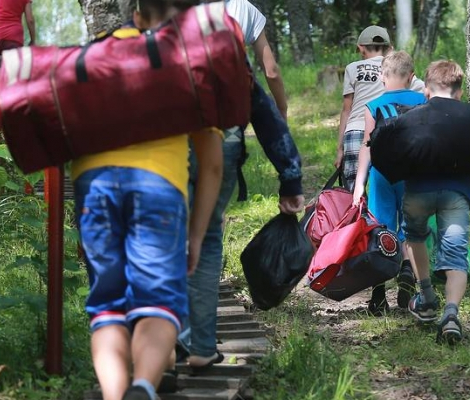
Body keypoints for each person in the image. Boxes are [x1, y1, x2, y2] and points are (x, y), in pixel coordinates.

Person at [71, 1, 223, 399]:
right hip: (157, 188)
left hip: (93, 186)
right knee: (159, 303)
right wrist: (195, 236)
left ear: (137, 13)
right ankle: (142, 387)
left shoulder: (96, 51)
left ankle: (115, 394)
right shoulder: (191, 62)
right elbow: (211, 167)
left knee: (107, 307)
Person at [181, 0, 305, 370]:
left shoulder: (166, 38)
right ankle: (202, 345)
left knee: (165, 239)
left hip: (166, 151)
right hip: (223, 146)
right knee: (206, 239)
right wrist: (290, 179)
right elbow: (267, 119)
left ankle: (170, 335)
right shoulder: (233, 50)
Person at [401, 60, 470, 344]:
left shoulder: (414, 114)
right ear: (460, 92)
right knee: (456, 253)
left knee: (415, 237)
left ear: (426, 91)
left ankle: (426, 297)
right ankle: (451, 313)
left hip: (418, 191)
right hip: (457, 194)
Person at [351, 50, 424, 315]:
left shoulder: (373, 106)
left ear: (382, 76)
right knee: (411, 229)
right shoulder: (422, 100)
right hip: (412, 174)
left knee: (381, 230)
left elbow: (366, 146)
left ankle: (378, 295)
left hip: (381, 175)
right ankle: (408, 271)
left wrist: (359, 185)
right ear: (411, 77)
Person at [335, 25, 422, 191]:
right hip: (385, 131)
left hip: (356, 130)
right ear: (390, 48)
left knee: (352, 189)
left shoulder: (352, 68)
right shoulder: (395, 68)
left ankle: (355, 216)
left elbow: (347, 110)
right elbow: (424, 88)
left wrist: (340, 149)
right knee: (384, 185)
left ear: (360, 48)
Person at [0, 0, 35, 98]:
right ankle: (7, 105)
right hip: (14, 38)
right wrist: (33, 39)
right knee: (11, 74)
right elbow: (30, 19)